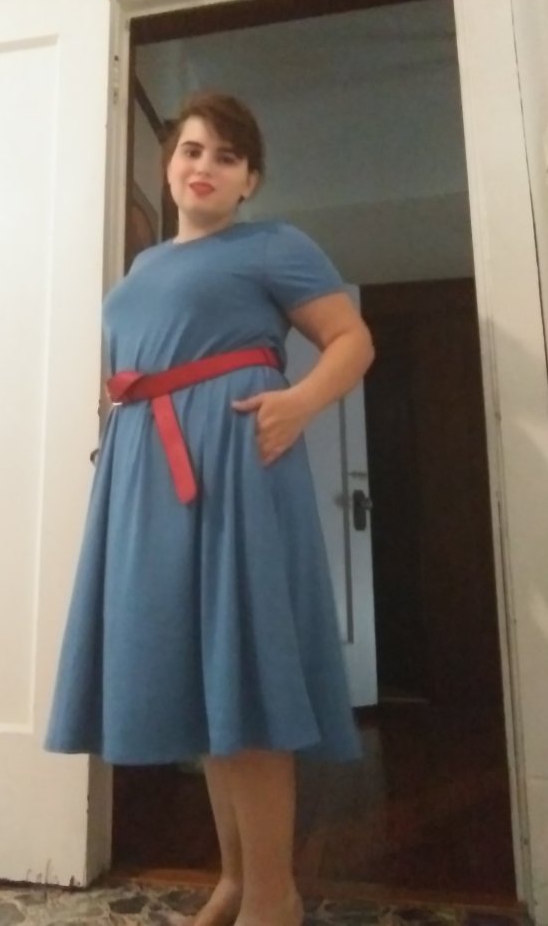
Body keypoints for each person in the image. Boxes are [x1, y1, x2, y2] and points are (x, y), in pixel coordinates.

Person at [45, 91, 375, 926]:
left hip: (231, 467)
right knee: (202, 674)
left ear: (249, 180)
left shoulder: (273, 245)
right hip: (144, 472)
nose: (205, 166)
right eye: (192, 150)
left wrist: (299, 403)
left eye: (227, 157)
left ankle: (273, 894)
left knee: (245, 672)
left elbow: (352, 341)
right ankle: (233, 877)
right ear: (169, 166)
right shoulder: (142, 268)